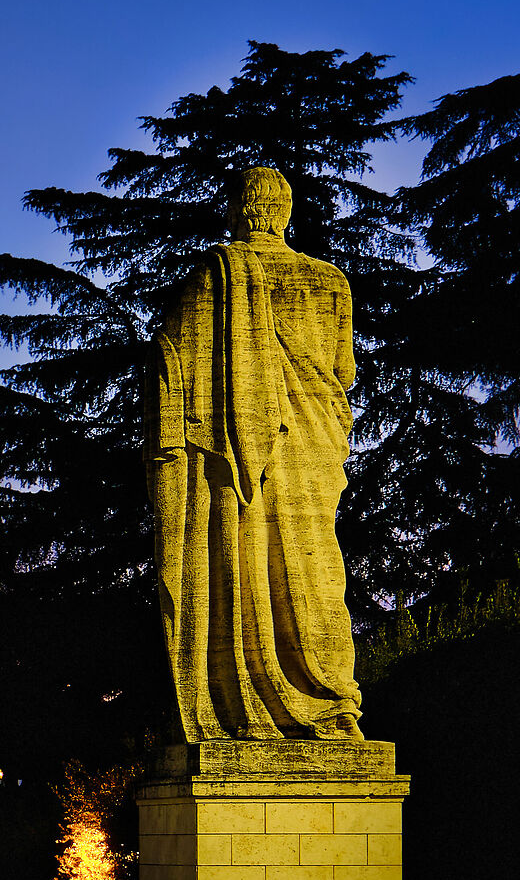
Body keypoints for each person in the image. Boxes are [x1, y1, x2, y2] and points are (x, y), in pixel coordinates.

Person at [151, 166, 363, 742]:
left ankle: (246, 700)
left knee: (247, 566)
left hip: (240, 455)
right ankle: (334, 697)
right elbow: (342, 371)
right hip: (315, 440)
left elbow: (174, 363)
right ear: (285, 212)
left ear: (235, 209)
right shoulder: (331, 282)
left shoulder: (214, 274)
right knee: (318, 568)